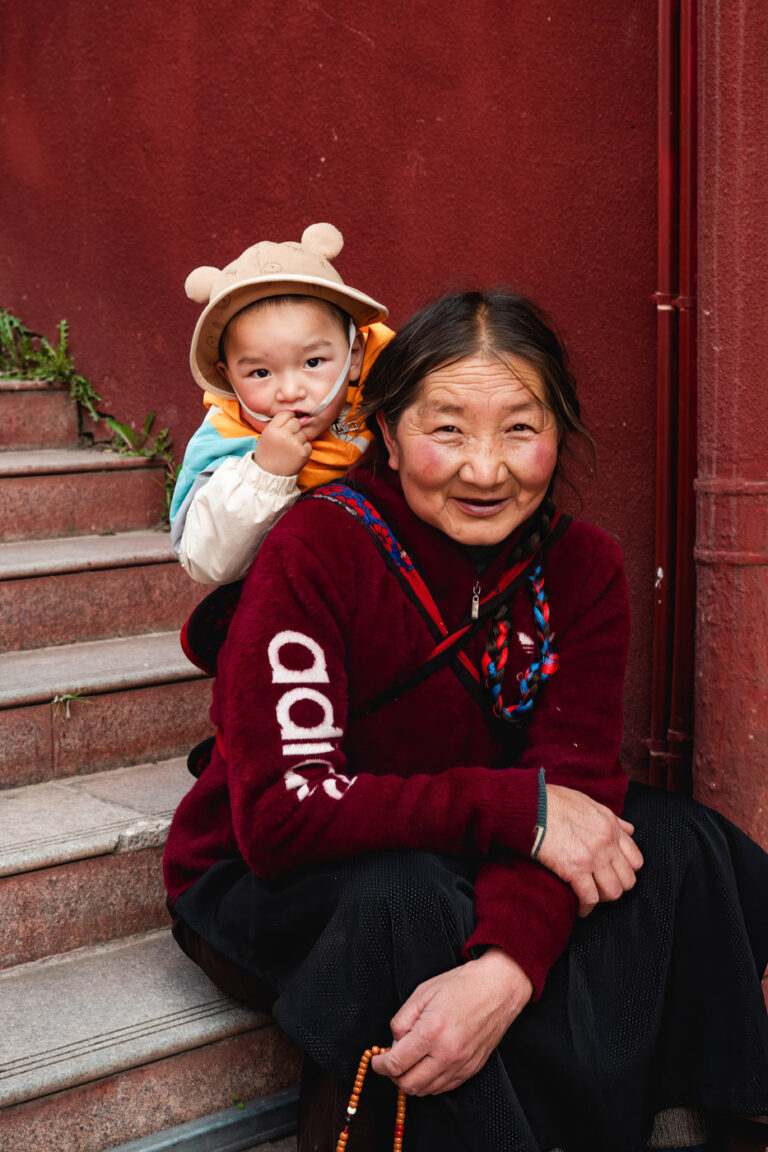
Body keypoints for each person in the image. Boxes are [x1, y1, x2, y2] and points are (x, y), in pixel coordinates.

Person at [163, 291, 768, 1152]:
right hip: (268, 871)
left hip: (459, 844)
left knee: (673, 841)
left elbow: (578, 789)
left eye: (521, 429)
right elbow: (282, 817)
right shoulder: (316, 548)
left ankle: (700, 1119)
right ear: (386, 427)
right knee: (406, 899)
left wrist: (506, 969)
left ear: (561, 430)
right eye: (446, 429)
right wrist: (515, 812)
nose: (486, 471)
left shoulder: (584, 568)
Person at [170, 222, 392, 585]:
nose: (289, 392)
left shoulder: (386, 392)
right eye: (260, 372)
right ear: (228, 378)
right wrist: (264, 476)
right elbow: (205, 561)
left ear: (354, 356)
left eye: (313, 362)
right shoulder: (227, 439)